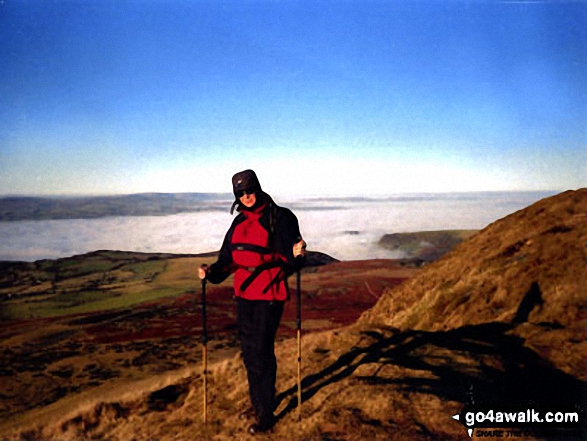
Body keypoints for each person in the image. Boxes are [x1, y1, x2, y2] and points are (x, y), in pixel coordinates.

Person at [198, 169, 306, 434]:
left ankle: (266, 413)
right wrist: (210, 273)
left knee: (260, 351)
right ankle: (259, 405)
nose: (246, 196)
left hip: (269, 294)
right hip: (244, 295)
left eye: (249, 190)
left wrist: (298, 254)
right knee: (249, 354)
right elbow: (228, 260)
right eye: (240, 193)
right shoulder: (238, 223)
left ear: (257, 188)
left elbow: (292, 258)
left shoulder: (279, 218)